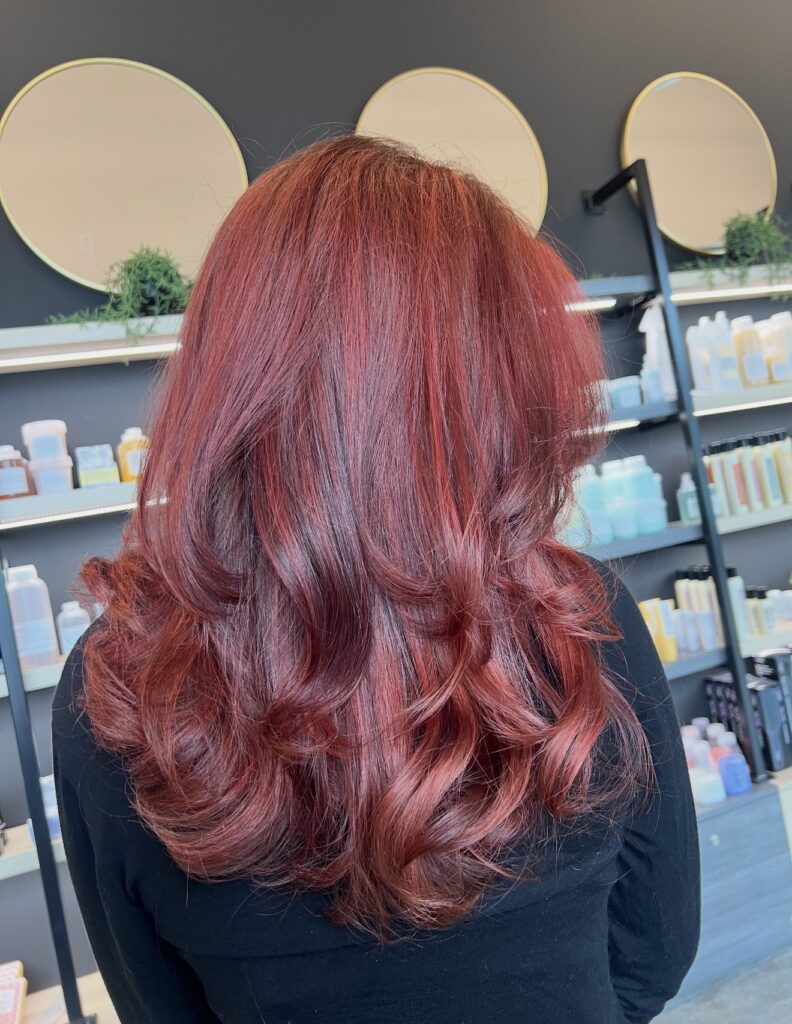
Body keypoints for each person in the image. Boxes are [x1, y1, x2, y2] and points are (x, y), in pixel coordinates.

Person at [53, 135, 699, 1024]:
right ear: (490, 388)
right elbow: (651, 955)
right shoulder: (578, 619)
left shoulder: (121, 687)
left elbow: (157, 1007)